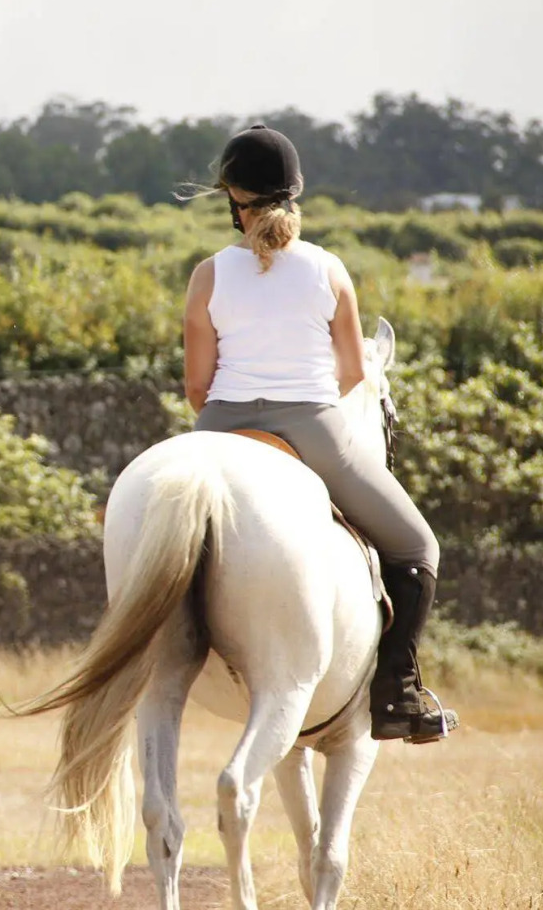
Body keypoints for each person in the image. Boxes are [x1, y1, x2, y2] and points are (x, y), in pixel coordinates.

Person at [182, 124, 457, 743]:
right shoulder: (329, 270)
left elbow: (196, 386)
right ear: (293, 198)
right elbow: (357, 371)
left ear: (234, 199)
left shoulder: (208, 275)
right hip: (312, 428)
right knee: (418, 548)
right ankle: (397, 694)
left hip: (222, 424)